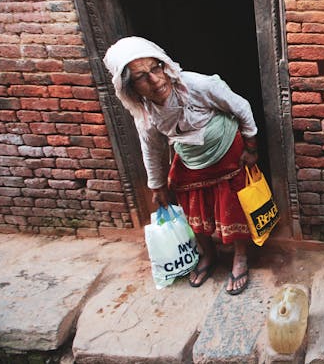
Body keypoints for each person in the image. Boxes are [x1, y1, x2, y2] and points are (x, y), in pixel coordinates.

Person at [103, 36, 259, 295]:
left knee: (232, 202)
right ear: (131, 87)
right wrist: (157, 185)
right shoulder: (145, 111)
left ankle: (239, 256)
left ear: (165, 67)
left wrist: (252, 148)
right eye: (143, 77)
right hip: (189, 156)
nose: (155, 80)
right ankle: (207, 254)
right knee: (187, 199)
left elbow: (241, 107)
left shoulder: (199, 85)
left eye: (156, 68)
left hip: (226, 149)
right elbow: (151, 146)